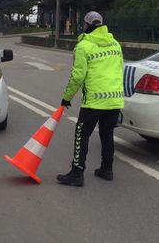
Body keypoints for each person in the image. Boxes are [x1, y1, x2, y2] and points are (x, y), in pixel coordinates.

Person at [56, 11, 124, 187]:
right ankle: (107, 169)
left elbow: (78, 76)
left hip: (94, 101)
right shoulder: (115, 44)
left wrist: (66, 97)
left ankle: (77, 173)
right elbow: (119, 70)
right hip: (114, 99)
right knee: (107, 134)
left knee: (81, 134)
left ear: (86, 25)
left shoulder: (83, 46)